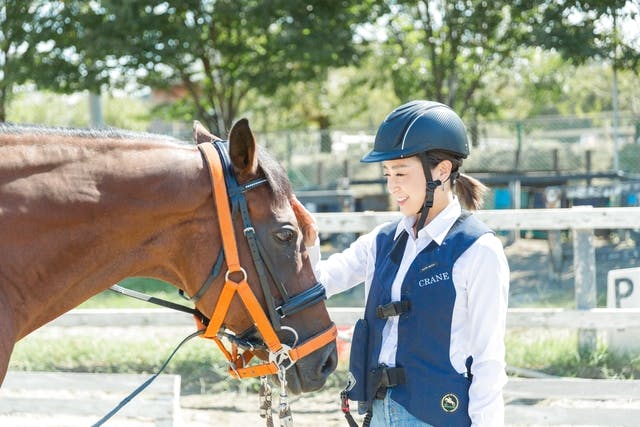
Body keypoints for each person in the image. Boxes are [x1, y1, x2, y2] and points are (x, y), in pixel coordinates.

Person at [292, 100, 510, 427]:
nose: (392, 186)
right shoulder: (382, 241)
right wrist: (309, 242)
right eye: (387, 173)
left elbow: (489, 360)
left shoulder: (478, 250)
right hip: (380, 415)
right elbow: (321, 282)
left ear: (442, 170)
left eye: (402, 173)